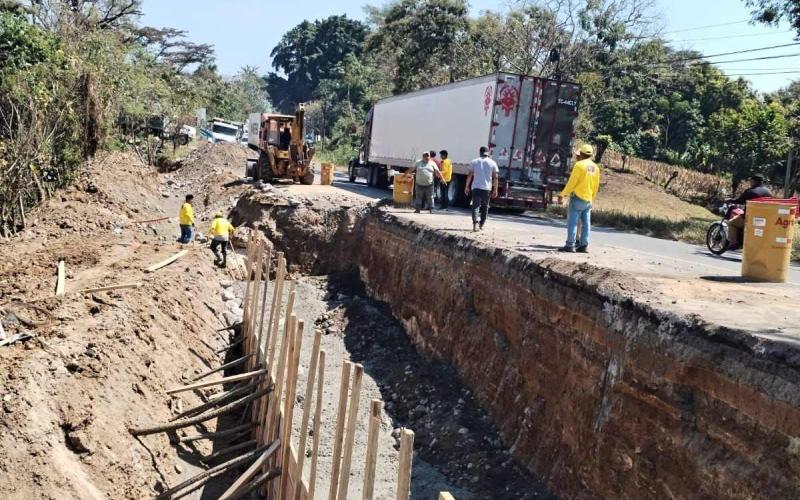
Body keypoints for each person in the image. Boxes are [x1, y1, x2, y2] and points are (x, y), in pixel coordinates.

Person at [558, 144, 601, 253]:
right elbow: (596, 186)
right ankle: (583, 245)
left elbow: (572, 183)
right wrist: (592, 198)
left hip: (577, 198)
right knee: (586, 224)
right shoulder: (596, 168)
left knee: (573, 222)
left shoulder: (579, 165)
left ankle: (570, 245)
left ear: (581, 154)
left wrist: (563, 194)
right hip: (588, 200)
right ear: (591, 155)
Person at [725, 174, 774, 248]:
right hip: (765, 219)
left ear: (754, 181)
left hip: (750, 218)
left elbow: (740, 201)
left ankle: (734, 243)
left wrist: (729, 200)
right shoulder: (768, 192)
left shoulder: (751, 191)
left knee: (732, 223)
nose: (750, 182)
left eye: (750, 181)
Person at [464, 146, 499, 231]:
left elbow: (470, 175)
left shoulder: (474, 161)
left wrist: (467, 186)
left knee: (475, 206)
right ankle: (481, 224)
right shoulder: (492, 163)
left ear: (480, 152)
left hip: (476, 187)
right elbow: (496, 177)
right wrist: (495, 189)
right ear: (488, 153)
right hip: (487, 189)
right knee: (485, 207)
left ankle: (475, 224)